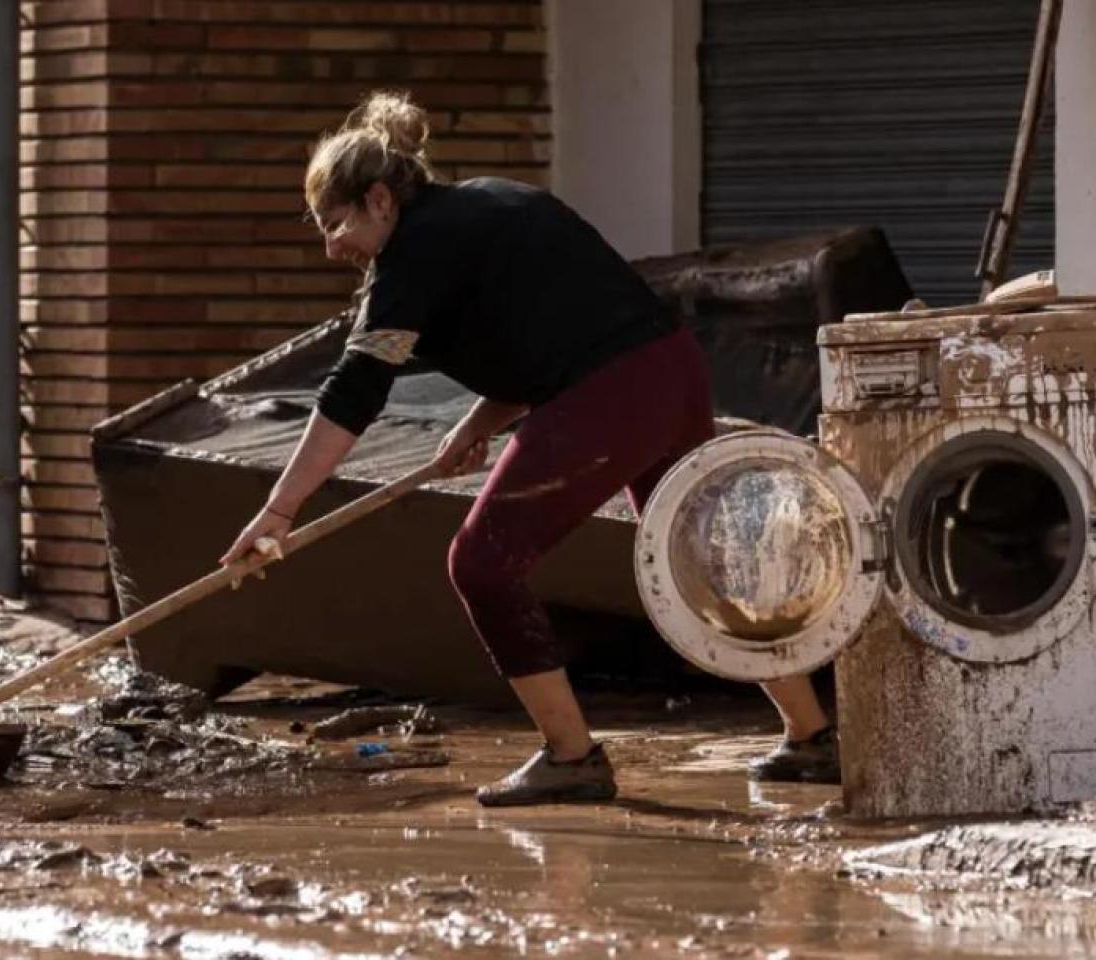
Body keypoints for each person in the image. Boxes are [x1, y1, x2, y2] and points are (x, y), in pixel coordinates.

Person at [221, 91, 839, 806]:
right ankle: (810, 735)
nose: (332, 247)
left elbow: (355, 390)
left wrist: (278, 510)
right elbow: (553, 328)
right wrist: (481, 421)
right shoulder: (496, 202)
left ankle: (570, 755)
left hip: (613, 394)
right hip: (668, 370)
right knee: (693, 554)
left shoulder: (411, 259)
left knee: (481, 565)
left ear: (381, 199)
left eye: (335, 223)